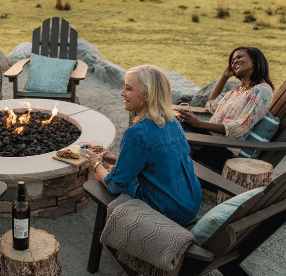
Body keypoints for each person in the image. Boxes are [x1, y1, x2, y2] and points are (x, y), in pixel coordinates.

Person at [85, 65, 201, 226]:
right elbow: (156, 162)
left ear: (147, 95)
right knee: (113, 169)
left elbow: (115, 186)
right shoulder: (172, 122)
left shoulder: (137, 133)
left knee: (102, 176)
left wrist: (96, 163)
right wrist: (112, 158)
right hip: (190, 203)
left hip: (167, 211)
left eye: (128, 88)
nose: (122, 93)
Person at [177, 46, 274, 172]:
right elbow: (211, 104)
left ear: (255, 60)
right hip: (210, 141)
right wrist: (224, 77)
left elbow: (240, 128)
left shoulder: (261, 90)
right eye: (233, 61)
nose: (234, 62)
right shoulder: (237, 91)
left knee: (171, 129)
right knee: (172, 121)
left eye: (239, 57)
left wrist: (199, 124)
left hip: (224, 150)